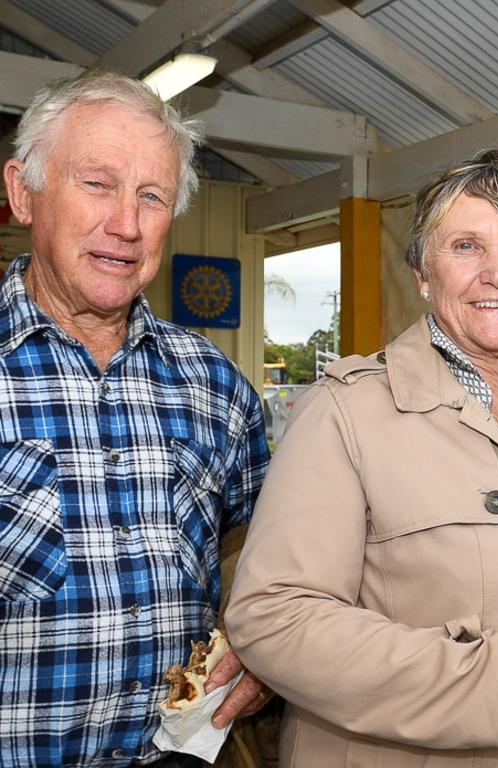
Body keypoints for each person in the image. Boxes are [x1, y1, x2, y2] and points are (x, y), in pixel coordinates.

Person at [225, 148, 498, 768]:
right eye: (466, 247)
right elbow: (274, 618)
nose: (497, 273)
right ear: (424, 276)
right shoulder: (347, 413)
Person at [0, 71, 272, 766]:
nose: (126, 224)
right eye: (97, 184)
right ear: (21, 193)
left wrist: (264, 640)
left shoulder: (215, 387)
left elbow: (272, 548)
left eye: (151, 196)